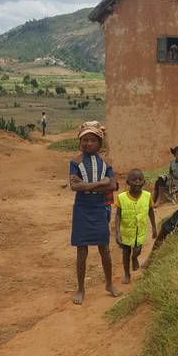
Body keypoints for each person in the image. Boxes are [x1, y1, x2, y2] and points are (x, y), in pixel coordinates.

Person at [69, 121, 120, 304]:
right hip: (82, 208)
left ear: (99, 143)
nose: (88, 143)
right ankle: (81, 288)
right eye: (85, 140)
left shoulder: (106, 161)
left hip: (98, 208)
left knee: (104, 249)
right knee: (81, 251)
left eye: (92, 140)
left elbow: (113, 185)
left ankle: (108, 283)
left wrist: (87, 186)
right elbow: (74, 186)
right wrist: (100, 184)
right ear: (80, 142)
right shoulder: (75, 161)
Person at [115, 169, 157, 284]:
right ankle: (127, 274)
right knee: (125, 252)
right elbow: (118, 215)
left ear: (144, 182)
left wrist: (154, 227)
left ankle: (134, 257)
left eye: (140, 179)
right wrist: (117, 232)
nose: (137, 182)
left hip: (140, 232)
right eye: (134, 180)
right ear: (128, 183)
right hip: (126, 231)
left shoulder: (147, 196)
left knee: (137, 250)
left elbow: (150, 211)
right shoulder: (122, 197)